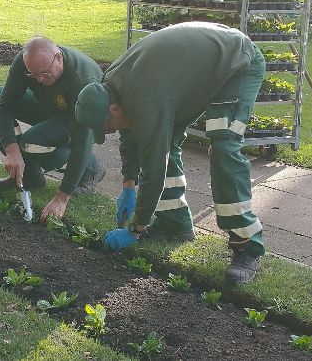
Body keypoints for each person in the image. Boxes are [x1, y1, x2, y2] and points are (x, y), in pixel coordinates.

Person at [75, 22, 266, 285]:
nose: (108, 133)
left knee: (224, 145)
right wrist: (129, 184)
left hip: (237, 63)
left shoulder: (146, 99)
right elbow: (130, 136)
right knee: (165, 141)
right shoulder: (112, 86)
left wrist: (136, 228)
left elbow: (155, 167)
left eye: (106, 128)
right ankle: (174, 221)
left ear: (114, 110)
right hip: (195, 72)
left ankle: (248, 245)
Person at [0, 37, 106, 221]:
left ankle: (91, 168)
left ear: (58, 58)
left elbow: (84, 138)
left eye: (45, 73)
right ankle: (29, 176)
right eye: (33, 75)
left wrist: (62, 197)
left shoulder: (82, 80)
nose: (39, 79)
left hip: (77, 120)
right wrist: (11, 151)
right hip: (47, 107)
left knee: (30, 144)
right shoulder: (25, 63)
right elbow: (4, 107)